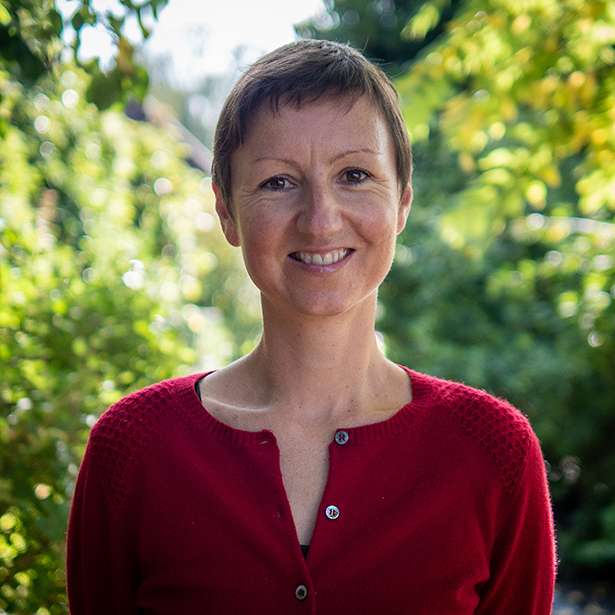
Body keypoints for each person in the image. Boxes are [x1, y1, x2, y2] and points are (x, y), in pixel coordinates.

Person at [65, 39, 557, 614]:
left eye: (354, 174)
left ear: (401, 200)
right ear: (226, 210)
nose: (321, 220)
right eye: (278, 182)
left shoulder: (492, 451)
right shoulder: (134, 448)